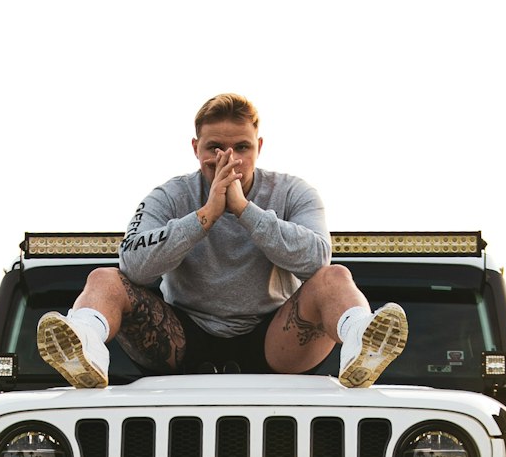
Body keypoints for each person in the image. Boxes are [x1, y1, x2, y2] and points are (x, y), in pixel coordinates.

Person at [36, 93, 408, 388]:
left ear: (259, 146)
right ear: (195, 147)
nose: (227, 158)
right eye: (214, 147)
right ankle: (83, 343)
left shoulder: (295, 192)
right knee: (104, 278)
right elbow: (133, 265)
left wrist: (245, 211)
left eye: (241, 147)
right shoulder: (168, 196)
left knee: (335, 277)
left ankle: (362, 340)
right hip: (183, 334)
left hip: (274, 337)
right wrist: (205, 216)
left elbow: (317, 259)